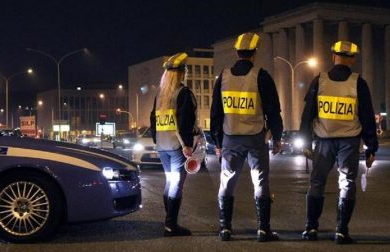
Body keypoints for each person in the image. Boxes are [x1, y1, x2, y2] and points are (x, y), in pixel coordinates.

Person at [299, 41, 378, 244]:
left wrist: (306, 141)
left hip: (324, 140)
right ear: (352, 59)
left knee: (317, 182)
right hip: (349, 141)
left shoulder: (320, 81)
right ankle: (341, 231)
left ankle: (310, 228)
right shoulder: (358, 83)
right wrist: (371, 146)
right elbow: (368, 117)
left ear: (333, 56)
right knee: (347, 183)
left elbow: (308, 114)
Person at [210, 32, 283, 242]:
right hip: (255, 138)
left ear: (237, 52)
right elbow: (273, 110)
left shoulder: (223, 77)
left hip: (230, 138)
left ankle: (225, 228)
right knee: (260, 182)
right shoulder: (261, 76)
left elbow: (216, 113)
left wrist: (217, 142)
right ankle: (263, 229)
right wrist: (276, 137)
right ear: (254, 53)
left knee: (227, 182)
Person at [150, 52, 197, 237]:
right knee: (177, 184)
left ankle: (169, 221)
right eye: (185, 70)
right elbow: (186, 122)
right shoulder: (183, 93)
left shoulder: (160, 95)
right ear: (181, 73)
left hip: (162, 146)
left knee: (170, 181)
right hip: (178, 147)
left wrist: (157, 140)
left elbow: (153, 120)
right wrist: (187, 145)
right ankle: (171, 225)